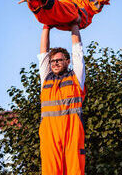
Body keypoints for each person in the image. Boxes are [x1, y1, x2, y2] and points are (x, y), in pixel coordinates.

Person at [38, 24, 86, 174]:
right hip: (49, 133)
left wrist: (74, 25)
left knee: (75, 170)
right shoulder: (46, 79)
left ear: (67, 61)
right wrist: (46, 27)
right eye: (53, 61)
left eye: (59, 60)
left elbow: (78, 51)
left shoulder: (76, 77)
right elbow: (43, 54)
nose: (55, 63)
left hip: (72, 131)